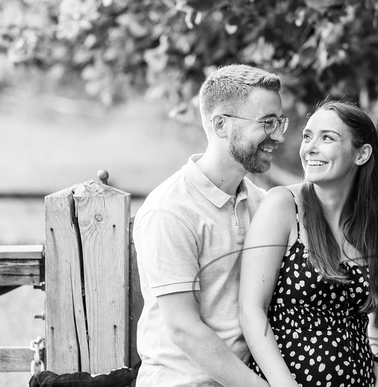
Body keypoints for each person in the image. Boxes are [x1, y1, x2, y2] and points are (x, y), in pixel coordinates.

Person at [133, 64, 289, 386]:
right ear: (220, 124)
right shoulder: (170, 210)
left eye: (280, 122)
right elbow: (184, 329)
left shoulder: (261, 203)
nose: (279, 136)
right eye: (267, 123)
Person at [239, 99, 378, 386]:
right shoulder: (283, 206)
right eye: (307, 136)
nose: (310, 148)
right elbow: (251, 310)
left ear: (362, 154)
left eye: (327, 137)